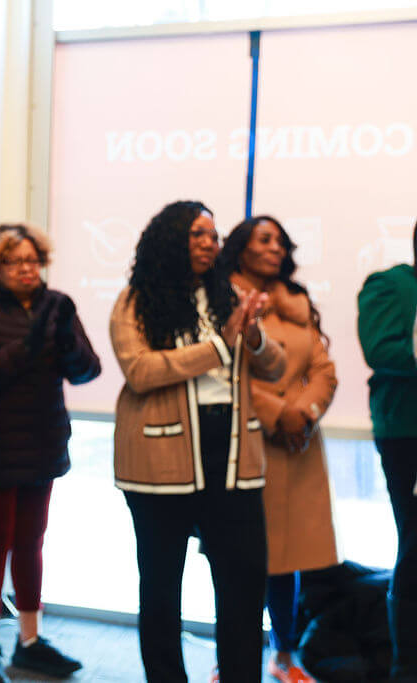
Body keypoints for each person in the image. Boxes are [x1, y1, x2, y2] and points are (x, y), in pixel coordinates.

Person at [109, 200, 285, 683]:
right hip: (159, 459)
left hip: (231, 456)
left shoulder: (230, 295)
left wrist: (253, 337)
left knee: (244, 582)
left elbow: (276, 367)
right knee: (161, 587)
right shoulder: (135, 301)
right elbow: (140, 371)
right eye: (197, 234)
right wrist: (219, 347)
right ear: (170, 240)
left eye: (213, 235)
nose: (210, 243)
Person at [0, 223, 101, 682]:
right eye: (13, 261)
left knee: (31, 543)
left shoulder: (57, 303)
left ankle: (30, 640)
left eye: (33, 260)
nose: (26, 269)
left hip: (43, 442)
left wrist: (65, 341)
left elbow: (87, 371)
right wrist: (26, 347)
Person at [219, 216, 339, 683]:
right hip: (246, 442)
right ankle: (230, 659)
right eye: (263, 240)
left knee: (288, 560)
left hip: (298, 445)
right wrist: (276, 413)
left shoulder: (297, 302)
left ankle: (284, 656)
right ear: (240, 248)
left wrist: (303, 414)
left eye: (280, 242)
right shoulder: (222, 299)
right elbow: (224, 372)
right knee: (240, 559)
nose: (275, 248)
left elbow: (323, 371)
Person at [357, 223, 417, 682]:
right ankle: (405, 667)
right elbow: (380, 349)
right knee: (415, 545)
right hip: (406, 432)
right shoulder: (390, 285)